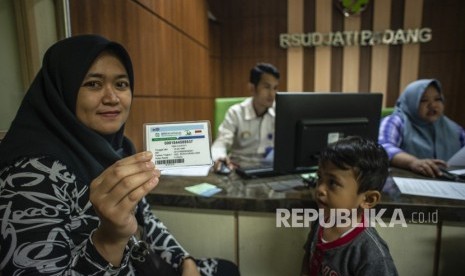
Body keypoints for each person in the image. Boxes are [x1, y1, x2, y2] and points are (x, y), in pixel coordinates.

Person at [0, 35, 239, 275]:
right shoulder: (30, 175)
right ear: (62, 90)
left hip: (142, 265)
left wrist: (185, 261)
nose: (112, 98)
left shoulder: (118, 149)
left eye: (121, 85)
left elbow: (145, 220)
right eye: (93, 84)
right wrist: (110, 239)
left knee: (227, 269)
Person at [301, 136, 398, 276]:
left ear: (368, 199)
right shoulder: (322, 219)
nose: (320, 189)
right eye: (319, 178)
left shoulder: (371, 254)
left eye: (332, 183)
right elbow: (309, 256)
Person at [378, 79, 465, 178]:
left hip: (449, 185)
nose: (433, 105)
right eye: (423, 100)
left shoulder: (453, 128)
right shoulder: (396, 121)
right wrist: (413, 162)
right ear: (410, 102)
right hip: (407, 184)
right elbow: (383, 147)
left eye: (437, 99)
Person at [211, 63, 280, 172]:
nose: (272, 94)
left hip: (270, 170)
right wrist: (220, 158)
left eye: (275, 88)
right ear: (252, 88)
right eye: (266, 87)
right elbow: (221, 142)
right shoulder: (236, 112)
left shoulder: (280, 111)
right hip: (239, 169)